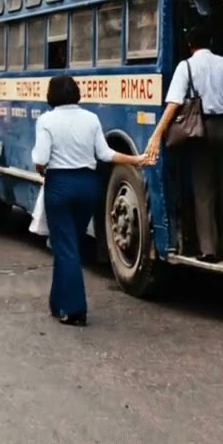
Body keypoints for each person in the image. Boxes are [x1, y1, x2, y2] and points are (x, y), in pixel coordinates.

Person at [33, 75, 147, 326]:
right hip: (88, 185)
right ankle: (57, 302)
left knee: (65, 246)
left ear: (51, 96)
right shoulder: (91, 118)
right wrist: (136, 160)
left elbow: (41, 158)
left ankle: (74, 309)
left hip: (60, 186)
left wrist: (42, 169)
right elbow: (105, 154)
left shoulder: (46, 120)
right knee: (70, 244)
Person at [143, 25, 223, 262]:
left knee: (203, 189)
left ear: (189, 45)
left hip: (201, 129)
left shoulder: (186, 66)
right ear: (211, 41)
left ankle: (209, 249)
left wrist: (157, 134)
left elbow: (174, 102)